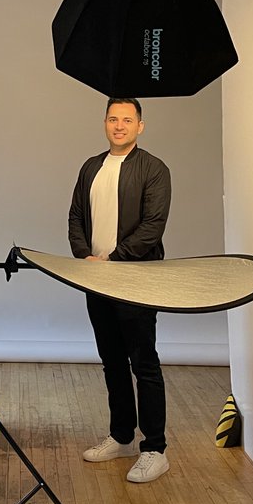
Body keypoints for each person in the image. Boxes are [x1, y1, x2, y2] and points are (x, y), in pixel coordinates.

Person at [68, 97, 172, 484]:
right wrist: (85, 257)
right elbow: (76, 217)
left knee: (144, 363)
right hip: (96, 279)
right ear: (105, 123)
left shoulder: (154, 170)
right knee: (111, 360)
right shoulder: (91, 167)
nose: (119, 126)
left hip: (136, 279)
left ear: (140, 126)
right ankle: (122, 436)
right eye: (113, 119)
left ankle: (155, 449)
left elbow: (153, 227)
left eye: (127, 120)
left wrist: (114, 258)